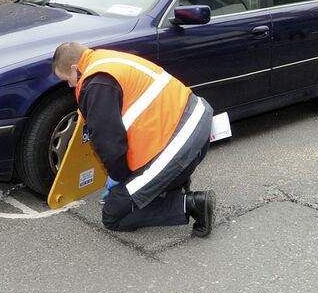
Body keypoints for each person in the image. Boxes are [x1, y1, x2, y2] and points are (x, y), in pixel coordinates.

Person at [52, 42, 216, 236]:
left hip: (179, 145)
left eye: (68, 79)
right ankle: (173, 185)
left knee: (113, 214)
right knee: (139, 184)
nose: (71, 85)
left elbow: (110, 144)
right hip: (199, 121)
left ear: (74, 67)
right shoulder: (106, 59)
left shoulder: (96, 83)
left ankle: (191, 204)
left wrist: (119, 179)